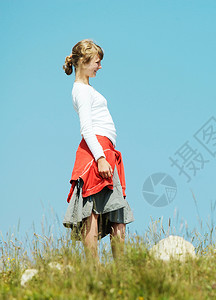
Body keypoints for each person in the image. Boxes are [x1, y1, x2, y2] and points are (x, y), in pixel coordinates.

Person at [62, 39, 134, 260]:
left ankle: (118, 270)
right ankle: (95, 270)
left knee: (115, 212)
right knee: (92, 212)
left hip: (105, 150)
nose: (99, 66)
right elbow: (86, 128)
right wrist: (101, 157)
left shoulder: (87, 89)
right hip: (97, 151)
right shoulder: (81, 91)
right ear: (83, 62)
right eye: (96, 62)